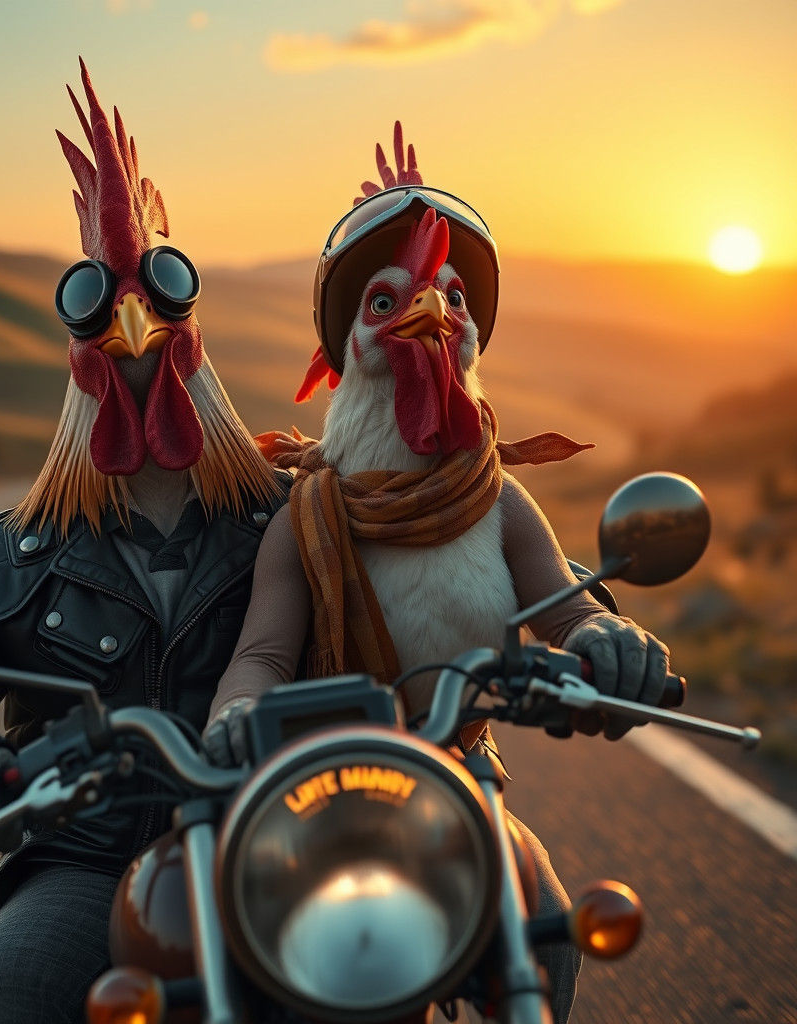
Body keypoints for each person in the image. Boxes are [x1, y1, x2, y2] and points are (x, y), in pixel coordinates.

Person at [202, 124, 673, 1024]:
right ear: (348, 346)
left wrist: (606, 638)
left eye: (453, 296)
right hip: (320, 793)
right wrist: (235, 718)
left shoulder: (496, 501)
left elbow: (564, 612)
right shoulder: (308, 516)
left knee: (543, 931)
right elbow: (262, 653)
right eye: (386, 301)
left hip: (458, 778)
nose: (432, 310)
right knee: (241, 962)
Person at [0, 61, 286, 1024]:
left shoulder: (301, 519)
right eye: (106, 303)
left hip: (286, 844)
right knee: (3, 998)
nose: (133, 321)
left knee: (483, 937)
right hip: (92, 862)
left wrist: (565, 628)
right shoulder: (4, 560)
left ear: (193, 332)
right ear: (77, 351)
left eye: (156, 298)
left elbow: (431, 578)